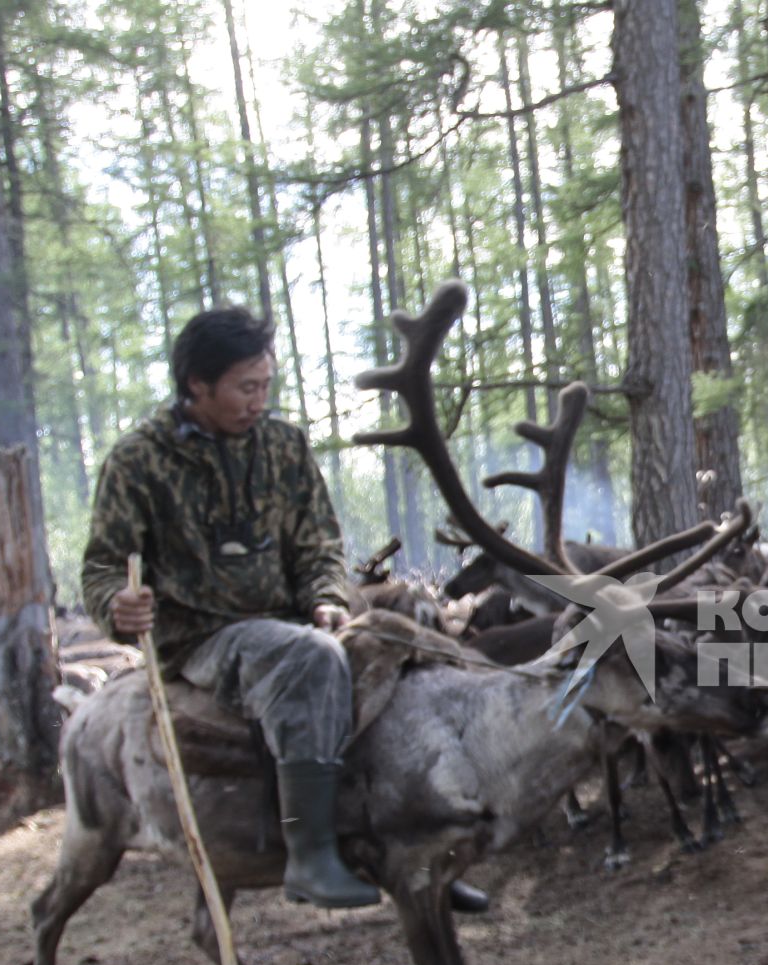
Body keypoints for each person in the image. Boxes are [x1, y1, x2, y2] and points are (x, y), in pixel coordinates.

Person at [81, 306, 487, 913]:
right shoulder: (138, 461)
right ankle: (311, 856)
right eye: (246, 388)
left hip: (293, 620)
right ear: (198, 385)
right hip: (202, 636)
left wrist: (326, 597)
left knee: (403, 633)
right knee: (309, 659)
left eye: (266, 386)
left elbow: (320, 545)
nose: (258, 400)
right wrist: (119, 605)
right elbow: (103, 568)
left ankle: (411, 843)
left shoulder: (283, 446)